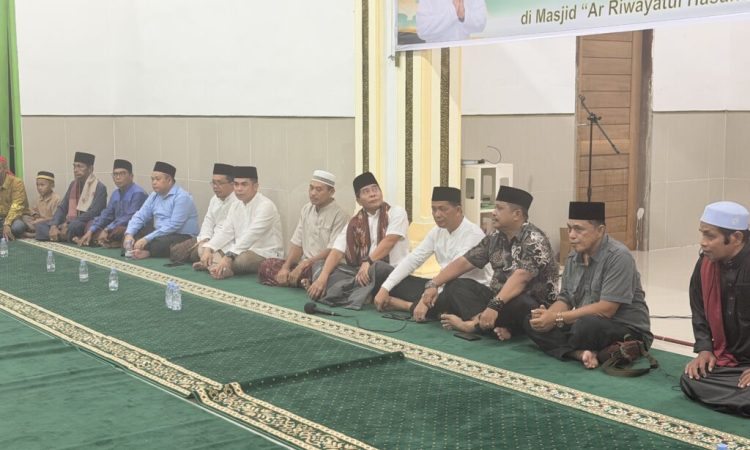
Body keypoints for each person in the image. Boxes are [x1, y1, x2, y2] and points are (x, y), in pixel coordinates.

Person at [413, 186, 558, 340]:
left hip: (530, 306)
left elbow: (520, 278)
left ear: (517, 214)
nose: (493, 212)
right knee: (456, 285)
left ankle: (473, 326)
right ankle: (487, 324)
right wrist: (433, 284)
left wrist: (494, 305)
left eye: (499, 208)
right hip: (497, 299)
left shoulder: (534, 239)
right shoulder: (496, 236)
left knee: (521, 302)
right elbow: (464, 262)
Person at [525, 201, 652, 369]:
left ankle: (571, 348)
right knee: (531, 321)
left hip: (623, 327)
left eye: (579, 229)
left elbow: (606, 309)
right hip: (584, 323)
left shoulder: (619, 257)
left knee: (585, 326)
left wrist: (556, 318)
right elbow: (566, 299)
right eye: (569, 228)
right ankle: (579, 353)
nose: (571, 235)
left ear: (600, 231)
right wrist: (547, 316)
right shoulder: (573, 257)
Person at [372, 186, 490, 316]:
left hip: (465, 291)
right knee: (382, 272)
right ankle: (426, 307)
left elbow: (454, 272)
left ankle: (406, 306)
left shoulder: (473, 234)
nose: (437, 215)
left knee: (452, 290)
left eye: (443, 209)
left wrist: (426, 297)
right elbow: (413, 259)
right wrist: (385, 288)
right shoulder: (437, 231)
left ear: (458, 210)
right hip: (438, 286)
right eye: (434, 209)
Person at [681, 201, 750, 417]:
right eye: (702, 234)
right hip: (732, 361)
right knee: (692, 378)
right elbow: (699, 310)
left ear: (736, 238)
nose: (703, 242)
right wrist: (705, 349)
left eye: (710, 236)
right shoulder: (705, 264)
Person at [306, 171, 409, 310]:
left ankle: (344, 293)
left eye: (375, 189)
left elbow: (389, 242)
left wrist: (368, 262)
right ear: (358, 200)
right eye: (366, 192)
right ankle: (361, 294)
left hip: (390, 272)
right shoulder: (354, 223)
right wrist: (322, 278)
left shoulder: (396, 212)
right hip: (362, 274)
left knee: (377, 267)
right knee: (320, 266)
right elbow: (337, 251)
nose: (373, 194)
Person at [259, 170, 348, 288]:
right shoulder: (306, 209)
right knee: (266, 265)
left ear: (331, 192)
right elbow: (297, 244)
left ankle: (302, 281)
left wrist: (305, 264)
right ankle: (300, 281)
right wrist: (286, 267)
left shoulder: (340, 215)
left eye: (318, 190)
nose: (313, 193)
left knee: (320, 273)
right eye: (311, 188)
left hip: (323, 266)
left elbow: (332, 250)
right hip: (304, 264)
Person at [199, 166, 283, 279]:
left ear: (255, 186)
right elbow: (225, 232)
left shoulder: (266, 206)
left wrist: (228, 256)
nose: (239, 189)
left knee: (241, 261)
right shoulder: (236, 205)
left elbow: (250, 236)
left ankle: (215, 266)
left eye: (244, 184)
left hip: (263, 253)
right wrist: (209, 247)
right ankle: (218, 267)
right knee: (203, 249)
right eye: (236, 184)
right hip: (239, 249)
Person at [123, 161, 199, 259]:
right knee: (133, 234)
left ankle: (147, 252)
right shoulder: (154, 195)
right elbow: (141, 215)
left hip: (180, 235)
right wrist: (129, 234)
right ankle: (141, 249)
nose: (154, 182)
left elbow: (173, 226)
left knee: (160, 244)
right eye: (152, 179)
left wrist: (146, 239)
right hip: (160, 232)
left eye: (157, 179)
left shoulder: (182, 197)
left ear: (169, 180)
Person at [36, 152, 107, 242]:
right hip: (69, 222)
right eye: (74, 166)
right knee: (40, 226)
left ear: (90, 169)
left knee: (74, 226)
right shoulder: (73, 184)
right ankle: (64, 236)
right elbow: (62, 207)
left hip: (85, 222)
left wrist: (68, 223)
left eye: (80, 166)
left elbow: (94, 213)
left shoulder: (100, 187)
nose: (75, 170)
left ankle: (61, 236)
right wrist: (54, 225)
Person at [76, 159, 148, 248]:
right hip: (115, 225)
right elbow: (107, 214)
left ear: (131, 176)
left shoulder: (138, 193)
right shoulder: (115, 193)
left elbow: (129, 217)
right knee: (91, 224)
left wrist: (107, 229)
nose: (118, 177)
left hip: (131, 227)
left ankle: (101, 240)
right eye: (115, 174)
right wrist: (91, 230)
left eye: (122, 174)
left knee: (119, 230)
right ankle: (101, 240)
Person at [181, 163, 236, 266]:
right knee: (177, 252)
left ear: (232, 184)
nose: (215, 187)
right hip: (211, 239)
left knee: (196, 253)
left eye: (219, 183)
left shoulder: (238, 202)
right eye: (213, 183)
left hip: (227, 242)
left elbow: (228, 232)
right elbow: (208, 222)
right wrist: (206, 238)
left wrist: (209, 246)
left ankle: (210, 262)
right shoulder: (214, 199)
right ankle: (208, 262)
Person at [416, 0, 487, 43]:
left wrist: (463, 15)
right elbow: (423, 30)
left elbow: (481, 23)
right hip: (436, 53)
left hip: (464, 52)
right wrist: (453, 11)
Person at [18, 171, 62, 238]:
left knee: (48, 226)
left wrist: (42, 220)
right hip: (39, 222)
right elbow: (33, 212)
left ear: (52, 185)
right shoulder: (38, 199)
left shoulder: (56, 199)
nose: (39, 188)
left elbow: (56, 218)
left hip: (50, 223)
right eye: (37, 185)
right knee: (24, 217)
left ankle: (34, 234)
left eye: (42, 185)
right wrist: (35, 216)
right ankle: (37, 231)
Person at [0, 155, 30, 240]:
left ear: (5, 169)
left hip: (17, 217)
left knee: (17, 228)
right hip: (1, 218)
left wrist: (7, 223)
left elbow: (17, 206)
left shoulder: (17, 183)